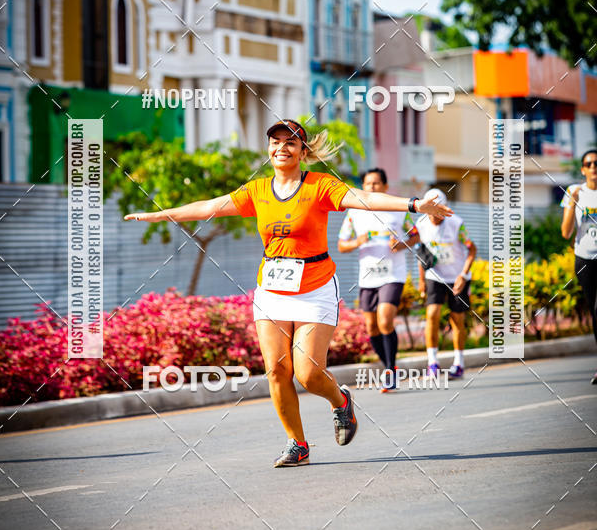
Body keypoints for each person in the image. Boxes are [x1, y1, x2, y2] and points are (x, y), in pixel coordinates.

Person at [124, 120, 453, 467]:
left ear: (303, 151)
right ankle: (297, 444)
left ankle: (341, 401)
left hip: (316, 287)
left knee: (308, 373)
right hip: (272, 289)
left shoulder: (320, 186)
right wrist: (159, 215)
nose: (282, 147)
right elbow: (208, 206)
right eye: (275, 142)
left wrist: (415, 205)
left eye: (290, 143)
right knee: (277, 370)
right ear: (269, 150)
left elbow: (365, 198)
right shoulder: (257, 191)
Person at [337, 168, 414, 392]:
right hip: (368, 275)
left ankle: (390, 370)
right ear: (363, 187)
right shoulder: (353, 213)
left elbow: (416, 235)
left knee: (384, 320)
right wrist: (357, 241)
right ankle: (389, 365)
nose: (372, 187)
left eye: (377, 183)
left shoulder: (398, 210)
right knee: (371, 327)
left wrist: (401, 243)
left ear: (385, 186)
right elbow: (342, 245)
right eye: (368, 184)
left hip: (393, 273)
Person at [403, 188, 476, 379]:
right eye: (430, 212)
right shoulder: (421, 224)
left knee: (457, 319)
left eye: (437, 211)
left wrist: (463, 274)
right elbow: (421, 252)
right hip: (435, 275)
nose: (434, 217)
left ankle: (459, 363)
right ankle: (432, 363)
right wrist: (421, 281)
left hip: (457, 277)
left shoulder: (456, 223)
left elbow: (472, 249)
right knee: (432, 314)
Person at [561, 148, 597, 385]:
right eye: (589, 164)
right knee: (595, 313)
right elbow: (565, 233)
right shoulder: (574, 192)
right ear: (583, 169)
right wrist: (573, 205)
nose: (593, 168)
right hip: (584, 259)